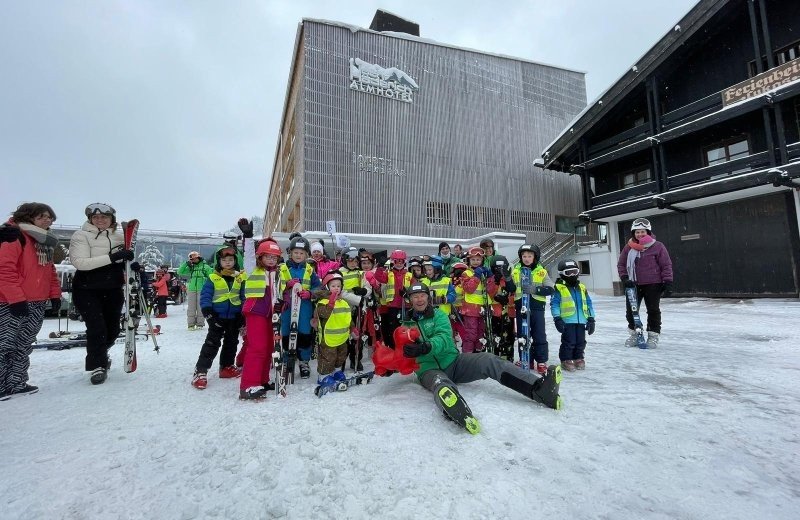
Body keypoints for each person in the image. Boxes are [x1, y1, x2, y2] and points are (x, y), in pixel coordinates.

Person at [394, 283, 562, 433]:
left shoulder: (439, 315)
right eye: (415, 296)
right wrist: (391, 364)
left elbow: (444, 338)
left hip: (453, 362)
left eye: (422, 295)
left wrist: (426, 346)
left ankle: (539, 390)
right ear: (410, 300)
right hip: (428, 370)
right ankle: (457, 410)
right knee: (441, 383)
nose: (419, 299)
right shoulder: (404, 326)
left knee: (488, 360)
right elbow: (400, 354)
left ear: (428, 297)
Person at [0, 203, 61, 399]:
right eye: (41, 216)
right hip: (9, 302)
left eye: (49, 217)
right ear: (27, 217)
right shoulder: (13, 235)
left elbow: (49, 271)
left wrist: (55, 294)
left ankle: (16, 382)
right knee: (4, 344)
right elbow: (4, 270)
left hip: (37, 301)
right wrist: (16, 299)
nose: (47, 220)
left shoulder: (43, 241)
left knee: (23, 344)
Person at [69, 203, 133, 385]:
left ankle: (101, 353)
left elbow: (125, 259)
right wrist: (113, 258)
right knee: (97, 328)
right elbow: (80, 262)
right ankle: (97, 365)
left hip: (112, 288)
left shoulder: (119, 236)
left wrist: (131, 263)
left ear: (112, 219)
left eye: (104, 217)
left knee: (113, 329)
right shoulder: (81, 235)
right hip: (87, 289)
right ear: (90, 219)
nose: (100, 220)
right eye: (95, 217)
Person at [191, 247, 246, 390]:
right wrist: (209, 315)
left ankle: (226, 367)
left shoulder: (239, 278)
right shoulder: (213, 278)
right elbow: (205, 297)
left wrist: (242, 315)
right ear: (219, 262)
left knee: (231, 343)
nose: (227, 262)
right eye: (224, 260)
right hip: (217, 317)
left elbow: (243, 297)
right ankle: (200, 371)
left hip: (234, 317)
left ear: (235, 261)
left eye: (230, 260)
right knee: (211, 344)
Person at [617, 218, 673, 348]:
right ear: (633, 233)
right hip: (633, 284)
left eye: (642, 231)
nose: (640, 234)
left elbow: (666, 265)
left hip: (653, 284)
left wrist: (668, 281)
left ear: (648, 232)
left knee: (653, 310)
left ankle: (653, 335)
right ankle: (635, 334)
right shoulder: (628, 247)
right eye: (637, 232)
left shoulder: (658, 246)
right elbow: (621, 264)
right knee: (631, 311)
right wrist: (625, 278)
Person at [239, 239, 282, 400]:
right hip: (256, 311)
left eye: (274, 257)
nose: (271, 260)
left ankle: (262, 380)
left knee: (269, 348)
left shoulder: (278, 273)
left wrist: (283, 303)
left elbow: (282, 292)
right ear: (260, 257)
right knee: (257, 347)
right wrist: (248, 237)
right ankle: (248, 385)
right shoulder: (253, 269)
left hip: (272, 314)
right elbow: (249, 255)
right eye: (268, 256)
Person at [278, 235, 321, 379]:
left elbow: (318, 287)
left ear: (306, 255)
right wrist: (286, 285)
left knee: (304, 334)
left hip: (304, 308)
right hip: (287, 307)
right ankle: (286, 360)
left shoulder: (309, 270)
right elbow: (274, 287)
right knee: (286, 333)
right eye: (295, 252)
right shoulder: (282, 268)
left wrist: (310, 293)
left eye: (301, 253)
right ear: (290, 253)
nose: (298, 255)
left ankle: (304, 362)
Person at [511, 244, 554, 374]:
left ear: (535, 257)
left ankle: (541, 361)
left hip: (537, 308)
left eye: (529, 256)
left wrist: (536, 290)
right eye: (524, 256)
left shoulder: (541, 271)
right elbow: (511, 288)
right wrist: (507, 278)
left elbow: (551, 289)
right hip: (521, 308)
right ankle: (526, 359)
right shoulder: (516, 271)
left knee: (539, 334)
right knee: (523, 335)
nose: (527, 258)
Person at [551, 259, 596, 371]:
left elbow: (588, 303)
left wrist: (591, 318)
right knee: (569, 341)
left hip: (581, 320)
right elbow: (554, 304)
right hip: (567, 321)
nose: (572, 275)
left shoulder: (582, 287)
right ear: (562, 274)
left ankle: (578, 358)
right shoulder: (559, 288)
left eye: (574, 272)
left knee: (581, 341)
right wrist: (557, 318)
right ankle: (566, 359)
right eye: (568, 273)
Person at [313, 271, 352, 387]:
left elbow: (347, 317)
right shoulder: (322, 302)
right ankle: (324, 375)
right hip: (327, 338)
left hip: (342, 336)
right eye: (333, 286)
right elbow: (323, 314)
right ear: (327, 287)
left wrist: (353, 328)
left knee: (341, 355)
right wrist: (330, 303)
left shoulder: (343, 302)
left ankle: (336, 371)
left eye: (338, 286)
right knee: (328, 357)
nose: (336, 288)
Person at [374, 249, 412, 348]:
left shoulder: (409, 275)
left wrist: (408, 294)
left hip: (406, 305)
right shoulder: (389, 274)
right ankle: (393, 347)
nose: (399, 263)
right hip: (393, 305)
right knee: (393, 328)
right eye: (396, 261)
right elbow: (378, 277)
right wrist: (380, 267)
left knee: (405, 327)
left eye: (401, 261)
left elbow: (414, 288)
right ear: (393, 262)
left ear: (404, 262)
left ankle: (405, 347)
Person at [485, 255, 517, 362]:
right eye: (497, 268)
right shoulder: (490, 279)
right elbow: (489, 293)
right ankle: (495, 359)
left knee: (509, 338)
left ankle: (508, 359)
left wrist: (507, 278)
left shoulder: (509, 278)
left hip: (508, 314)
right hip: (495, 314)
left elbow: (513, 290)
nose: (499, 270)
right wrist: (496, 282)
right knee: (496, 338)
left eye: (502, 267)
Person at [459, 247, 490, 353]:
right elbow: (468, 289)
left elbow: (491, 291)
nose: (476, 262)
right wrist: (476, 276)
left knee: (481, 335)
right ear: (469, 260)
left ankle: (478, 355)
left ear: (482, 260)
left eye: (478, 259)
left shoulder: (484, 272)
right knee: (471, 334)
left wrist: (491, 278)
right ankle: (468, 355)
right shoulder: (466, 273)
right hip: (470, 309)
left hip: (483, 308)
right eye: (473, 259)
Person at [177, 251, 213, 330]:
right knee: (191, 308)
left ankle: (200, 324)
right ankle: (191, 324)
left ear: (198, 258)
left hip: (202, 289)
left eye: (194, 258)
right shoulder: (191, 267)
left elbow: (211, 277)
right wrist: (186, 264)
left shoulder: (205, 267)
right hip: (191, 289)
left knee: (200, 307)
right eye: (191, 259)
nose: (193, 260)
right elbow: (179, 271)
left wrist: (207, 285)